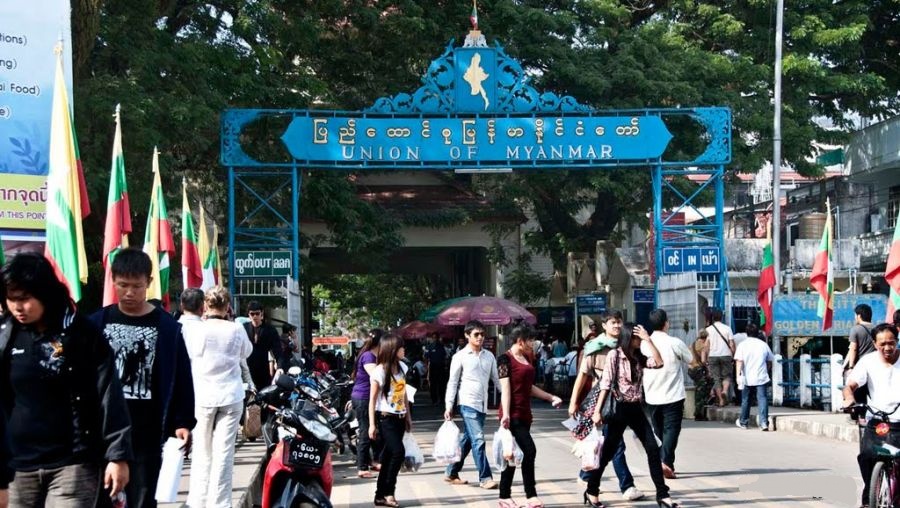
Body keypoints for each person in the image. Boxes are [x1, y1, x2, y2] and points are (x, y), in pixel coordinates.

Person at [0, 252, 132, 506]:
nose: (17, 307)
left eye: (25, 299)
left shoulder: (80, 334)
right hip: (16, 468)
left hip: (73, 464)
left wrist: (118, 456)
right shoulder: (6, 335)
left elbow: (109, 395)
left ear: (45, 294)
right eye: (11, 299)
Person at [90, 247, 195, 508]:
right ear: (112, 280)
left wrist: (182, 421)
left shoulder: (168, 329)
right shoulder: (95, 324)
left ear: (148, 282)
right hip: (101, 431)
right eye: (123, 284)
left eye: (136, 286)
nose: (129, 292)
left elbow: (181, 377)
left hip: (147, 432)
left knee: (142, 498)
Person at [588, 323, 678, 508]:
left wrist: (648, 339)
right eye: (637, 338)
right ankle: (591, 491)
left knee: (652, 449)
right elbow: (605, 384)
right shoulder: (614, 355)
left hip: (636, 408)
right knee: (607, 454)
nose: (639, 341)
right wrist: (597, 412)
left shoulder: (637, 356)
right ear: (630, 337)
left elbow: (659, 362)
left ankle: (662, 494)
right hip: (618, 409)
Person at [183, 287, 253, 508]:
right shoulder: (237, 329)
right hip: (231, 395)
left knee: (202, 451)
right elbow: (246, 352)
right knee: (224, 452)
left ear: (206, 305)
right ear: (227, 307)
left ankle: (198, 501)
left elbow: (192, 355)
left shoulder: (198, 330)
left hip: (204, 394)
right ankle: (221, 504)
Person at [567, 310, 643, 501]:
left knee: (611, 443)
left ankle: (586, 475)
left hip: (626, 400)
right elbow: (582, 376)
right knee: (616, 443)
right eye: (612, 323)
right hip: (604, 401)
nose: (617, 326)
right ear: (604, 325)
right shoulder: (594, 347)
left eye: (619, 322)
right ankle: (627, 486)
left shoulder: (627, 344)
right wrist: (574, 402)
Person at [497, 324, 563, 508]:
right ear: (520, 341)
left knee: (512, 454)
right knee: (529, 450)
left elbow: (529, 387)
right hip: (512, 414)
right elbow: (506, 389)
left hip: (525, 413)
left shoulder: (526, 358)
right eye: (531, 340)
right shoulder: (504, 359)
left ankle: (504, 496)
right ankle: (531, 495)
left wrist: (550, 397)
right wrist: (506, 415)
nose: (533, 343)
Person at [842, 323, 900, 507]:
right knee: (866, 456)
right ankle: (869, 500)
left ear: (897, 342)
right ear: (875, 344)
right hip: (877, 420)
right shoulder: (868, 361)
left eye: (891, 343)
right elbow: (850, 385)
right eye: (882, 344)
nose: (887, 348)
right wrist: (849, 398)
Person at [444, 320, 501, 489]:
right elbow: (452, 382)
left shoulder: (489, 356)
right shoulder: (459, 356)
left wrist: (507, 397)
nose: (480, 337)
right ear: (467, 335)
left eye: (482, 334)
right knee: (478, 439)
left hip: (482, 405)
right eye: (476, 334)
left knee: (469, 439)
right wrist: (449, 406)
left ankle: (451, 471)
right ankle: (485, 478)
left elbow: (497, 380)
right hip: (467, 403)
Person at [642, 308, 692, 480]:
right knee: (671, 430)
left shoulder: (643, 344)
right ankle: (666, 462)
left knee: (658, 430)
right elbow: (691, 360)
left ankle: (664, 462)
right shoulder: (674, 342)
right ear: (666, 323)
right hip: (673, 395)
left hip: (651, 395)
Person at [368, 334, 411, 508]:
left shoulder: (402, 367)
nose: (404, 350)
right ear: (393, 349)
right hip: (386, 419)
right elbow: (372, 400)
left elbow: (404, 393)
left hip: (400, 417)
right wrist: (372, 424)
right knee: (398, 452)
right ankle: (389, 492)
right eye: (401, 347)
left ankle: (379, 496)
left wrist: (408, 416)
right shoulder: (379, 371)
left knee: (387, 457)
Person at [351, 329, 382, 478]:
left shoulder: (373, 355)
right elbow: (377, 376)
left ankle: (375, 461)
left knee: (376, 430)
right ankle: (362, 467)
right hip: (363, 398)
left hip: (368, 398)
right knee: (366, 431)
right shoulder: (369, 356)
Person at [734, 322, 775, 431]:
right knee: (762, 399)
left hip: (747, 377)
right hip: (761, 376)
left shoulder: (742, 345)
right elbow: (770, 360)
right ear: (757, 333)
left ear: (746, 333)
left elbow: (739, 361)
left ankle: (743, 422)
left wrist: (738, 376)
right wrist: (767, 369)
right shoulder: (763, 345)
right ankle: (763, 423)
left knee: (746, 400)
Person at [242, 301, 282, 392]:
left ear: (261, 313)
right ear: (249, 315)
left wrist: (280, 367)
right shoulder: (244, 328)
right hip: (247, 370)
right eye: (252, 314)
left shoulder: (270, 330)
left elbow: (278, 351)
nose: (255, 316)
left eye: (257, 313)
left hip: (263, 371)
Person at [705, 308, 735, 407]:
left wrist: (705, 357)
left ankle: (721, 400)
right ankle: (725, 391)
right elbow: (731, 343)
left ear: (713, 318)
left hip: (713, 356)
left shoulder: (708, 329)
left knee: (716, 378)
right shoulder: (727, 328)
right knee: (727, 375)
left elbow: (707, 345)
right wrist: (733, 354)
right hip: (726, 354)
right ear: (721, 317)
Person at [687, 330, 712, 420]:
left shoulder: (692, 344)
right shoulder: (703, 346)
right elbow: (703, 360)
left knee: (698, 389)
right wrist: (708, 368)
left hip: (691, 370)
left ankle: (698, 412)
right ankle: (698, 414)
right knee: (701, 392)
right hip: (698, 370)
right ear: (705, 338)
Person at [844, 304, 875, 372]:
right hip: (874, 364)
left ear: (859, 316)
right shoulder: (876, 329)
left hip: (860, 366)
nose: (854, 317)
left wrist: (851, 366)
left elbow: (853, 349)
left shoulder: (855, 329)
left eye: (855, 315)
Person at [425, 333, 449, 405]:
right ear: (432, 338)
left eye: (436, 337)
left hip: (441, 367)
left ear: (438, 338)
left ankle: (442, 400)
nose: (435, 339)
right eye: (434, 338)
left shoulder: (442, 347)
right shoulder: (429, 347)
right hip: (433, 367)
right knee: (433, 385)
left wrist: (446, 365)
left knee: (442, 384)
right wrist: (427, 368)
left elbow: (446, 357)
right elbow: (426, 357)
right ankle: (434, 400)